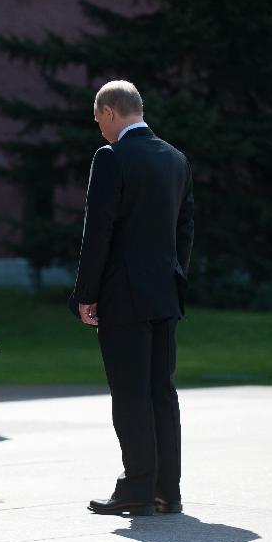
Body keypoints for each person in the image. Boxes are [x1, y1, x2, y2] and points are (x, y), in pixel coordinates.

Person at [69, 80, 194, 516]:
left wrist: (86, 293)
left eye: (98, 119)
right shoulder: (176, 159)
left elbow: (98, 231)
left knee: (130, 392)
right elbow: (185, 231)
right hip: (165, 293)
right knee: (162, 390)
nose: (99, 129)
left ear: (109, 111)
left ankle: (137, 487)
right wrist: (174, 278)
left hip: (123, 294)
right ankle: (167, 490)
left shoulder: (111, 157)